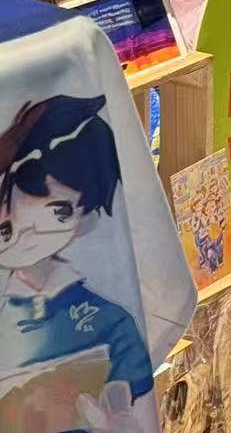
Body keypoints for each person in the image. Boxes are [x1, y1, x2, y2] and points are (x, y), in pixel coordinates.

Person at [0, 95, 154, 424]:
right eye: (7, 227)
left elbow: (128, 394)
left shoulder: (110, 322)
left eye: (58, 211)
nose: (26, 232)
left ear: (85, 217)